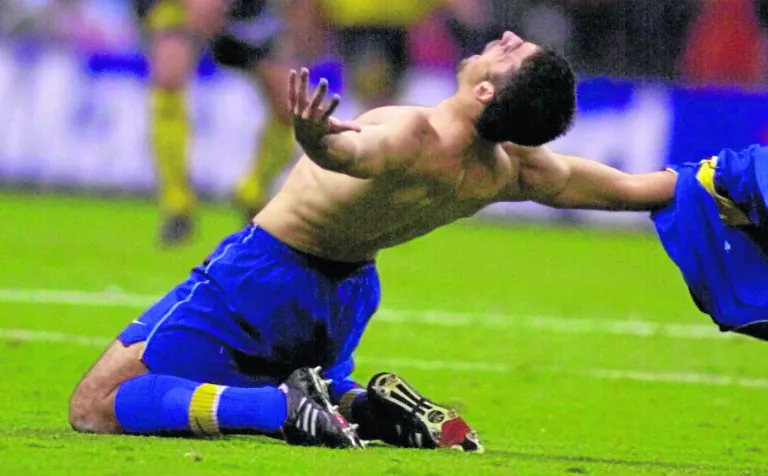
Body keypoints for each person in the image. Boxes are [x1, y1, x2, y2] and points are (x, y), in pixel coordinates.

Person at [68, 31, 676, 449]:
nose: (508, 38)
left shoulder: (415, 131)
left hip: (265, 273)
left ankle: (281, 410)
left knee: (97, 404)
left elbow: (355, 153)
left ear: (487, 92)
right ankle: (365, 407)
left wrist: (315, 138)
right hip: (348, 296)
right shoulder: (510, 170)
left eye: (514, 52)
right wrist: (722, 177)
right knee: (260, 377)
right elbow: (629, 189)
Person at [135, 0, 305, 245]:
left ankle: (253, 191)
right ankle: (176, 203)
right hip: (179, 7)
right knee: (168, 75)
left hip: (242, 10)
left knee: (290, 101)